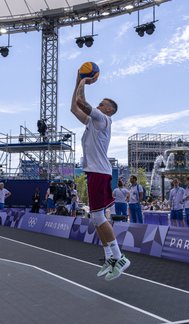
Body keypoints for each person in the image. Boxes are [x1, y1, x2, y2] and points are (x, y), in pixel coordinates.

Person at [71, 68, 129, 281]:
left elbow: (82, 103)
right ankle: (110, 257)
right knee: (97, 219)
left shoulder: (103, 119)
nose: (98, 105)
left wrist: (84, 81)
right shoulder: (92, 123)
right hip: (96, 172)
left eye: (102, 103)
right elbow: (73, 107)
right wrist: (78, 81)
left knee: (98, 217)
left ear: (109, 110)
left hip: (99, 172)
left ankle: (120, 257)